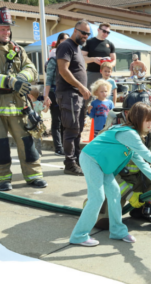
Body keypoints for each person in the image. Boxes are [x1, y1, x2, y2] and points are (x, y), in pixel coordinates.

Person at [69, 102, 151, 247]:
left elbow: (141, 162)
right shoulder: (129, 134)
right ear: (138, 119)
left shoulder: (132, 134)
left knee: (115, 193)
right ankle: (79, 235)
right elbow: (148, 156)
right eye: (147, 120)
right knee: (97, 198)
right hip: (91, 160)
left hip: (102, 164)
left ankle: (117, 231)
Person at [84, 96, 151, 229]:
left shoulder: (149, 130)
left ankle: (144, 209)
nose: (149, 122)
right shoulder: (114, 131)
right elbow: (104, 170)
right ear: (128, 113)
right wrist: (129, 194)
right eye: (145, 117)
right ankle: (93, 208)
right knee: (103, 223)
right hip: (116, 180)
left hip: (139, 179)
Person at [0, 7, 46, 191]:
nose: (6, 32)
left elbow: (32, 69)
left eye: (8, 29)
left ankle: (34, 175)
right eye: (2, 28)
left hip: (18, 105)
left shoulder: (18, 50)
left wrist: (21, 77)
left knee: (27, 142)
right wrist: (8, 81)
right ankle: (2, 179)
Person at [56, 20, 91, 176]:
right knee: (71, 129)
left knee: (77, 129)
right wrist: (81, 87)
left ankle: (76, 161)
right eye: (83, 33)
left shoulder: (77, 48)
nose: (85, 36)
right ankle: (69, 164)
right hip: (69, 93)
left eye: (88, 34)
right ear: (75, 31)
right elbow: (64, 71)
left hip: (78, 95)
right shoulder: (66, 46)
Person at [44, 32, 69, 156]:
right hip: (54, 92)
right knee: (57, 121)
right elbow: (48, 79)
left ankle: (65, 146)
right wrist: (46, 96)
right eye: (63, 40)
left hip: (67, 93)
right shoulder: (53, 59)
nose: (65, 42)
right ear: (59, 42)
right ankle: (58, 147)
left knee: (66, 121)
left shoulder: (71, 57)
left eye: (67, 40)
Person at [82, 22, 116, 89]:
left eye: (108, 32)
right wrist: (93, 59)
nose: (106, 34)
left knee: (105, 96)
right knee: (89, 96)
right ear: (98, 30)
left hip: (105, 75)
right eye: (104, 31)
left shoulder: (110, 44)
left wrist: (108, 66)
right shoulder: (89, 42)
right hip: (92, 73)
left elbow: (114, 59)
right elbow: (82, 58)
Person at [28, 89, 49, 156]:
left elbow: (45, 110)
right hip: (28, 122)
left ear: (31, 96)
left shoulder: (38, 103)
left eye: (28, 95)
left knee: (37, 137)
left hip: (36, 123)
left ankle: (38, 152)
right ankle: (31, 151)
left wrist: (47, 106)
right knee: (30, 137)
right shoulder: (28, 103)